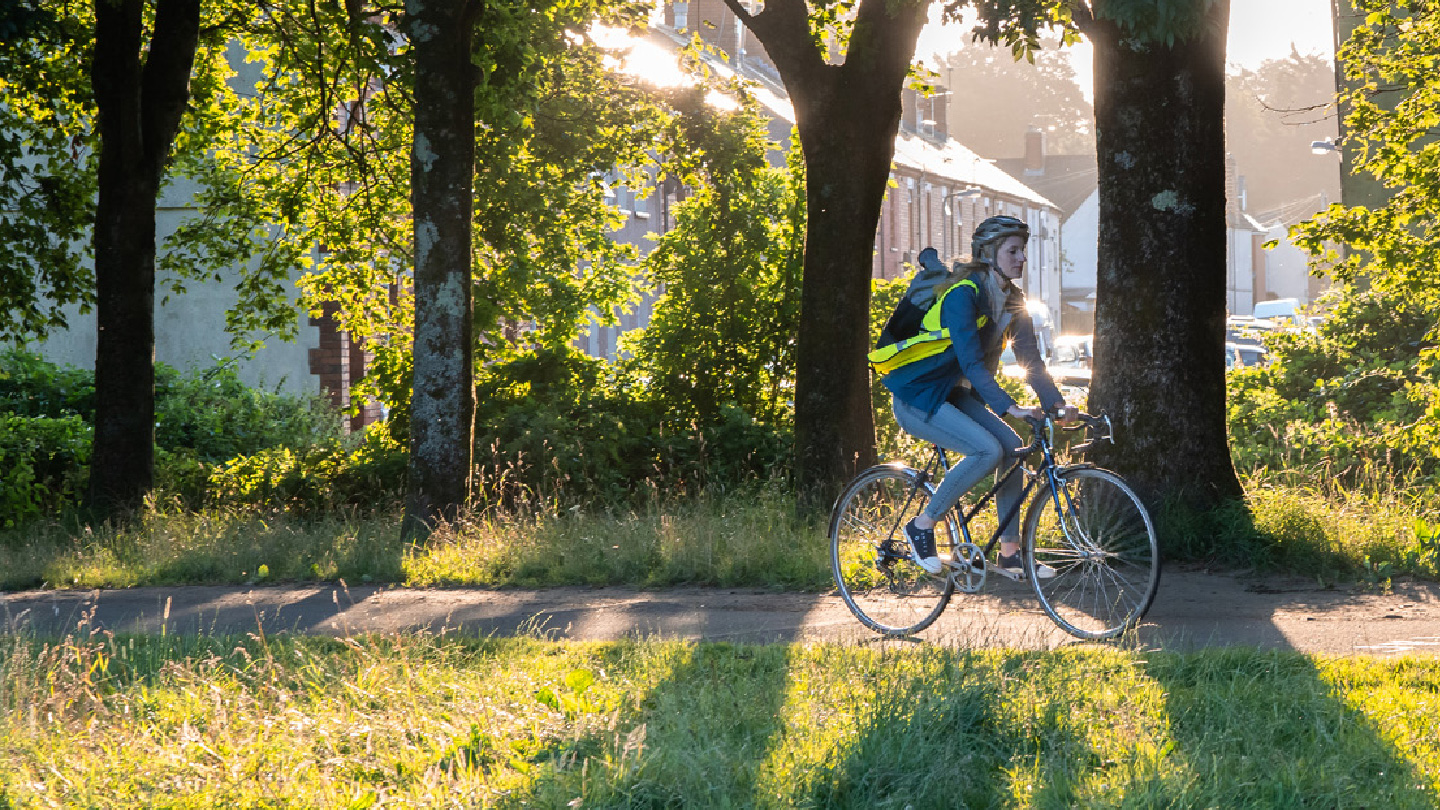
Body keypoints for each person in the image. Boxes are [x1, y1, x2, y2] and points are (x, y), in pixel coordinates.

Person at [879, 216, 1076, 578]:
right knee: (987, 450)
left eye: (1023, 251)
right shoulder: (963, 294)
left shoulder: (1013, 300)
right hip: (917, 396)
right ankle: (922, 526)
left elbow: (1030, 359)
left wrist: (1056, 404)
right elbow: (971, 363)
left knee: (1012, 447)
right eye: (1012, 251)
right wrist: (1008, 406)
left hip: (950, 395)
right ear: (988, 254)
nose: (1021, 259)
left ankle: (1010, 554)